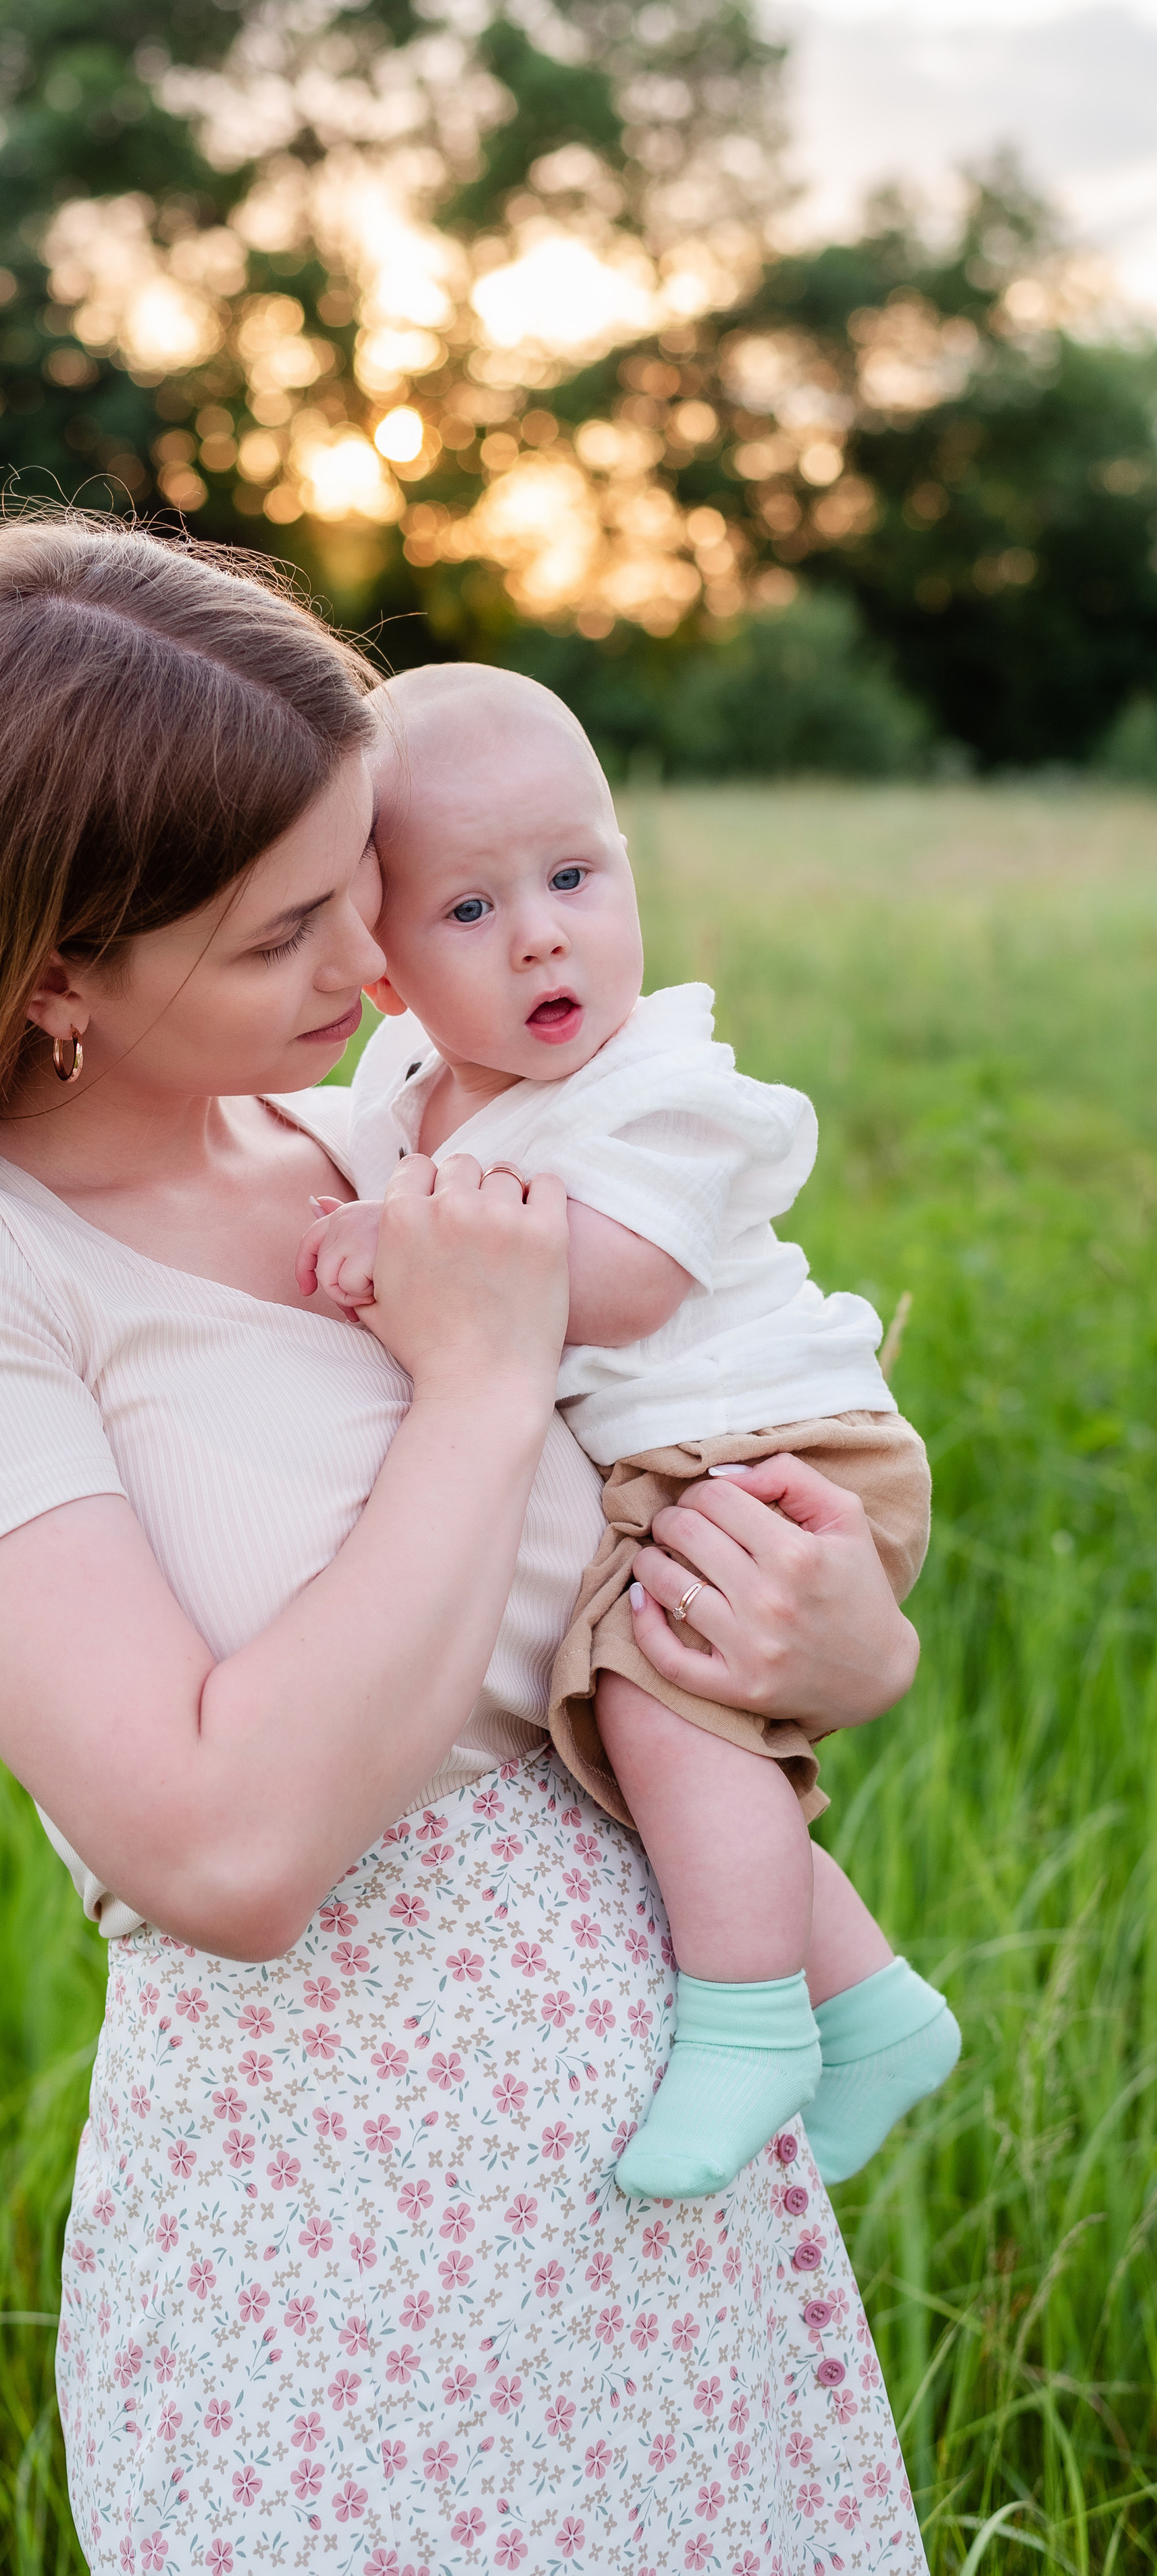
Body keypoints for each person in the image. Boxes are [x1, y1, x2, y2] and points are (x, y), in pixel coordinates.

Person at [0, 512, 927, 2573]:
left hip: (670, 2193)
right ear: (53, 979)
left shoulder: (372, 1129)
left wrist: (841, 1642)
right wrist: (477, 1377)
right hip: (343, 2254)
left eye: (364, 889)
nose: (378, 967)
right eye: (286, 934)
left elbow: (632, 1538)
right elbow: (223, 1854)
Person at [300, 664, 960, 2202]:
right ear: (384, 974)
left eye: (574, 875)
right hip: (684, 1460)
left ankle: (749, 2029)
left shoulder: (659, 1087)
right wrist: (370, 1209)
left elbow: (619, 1280)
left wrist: (396, 1249)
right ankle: (869, 2006)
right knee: (668, 1711)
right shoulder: (404, 1085)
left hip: (779, 1451)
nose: (540, 931)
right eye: (466, 911)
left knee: (658, 1705)